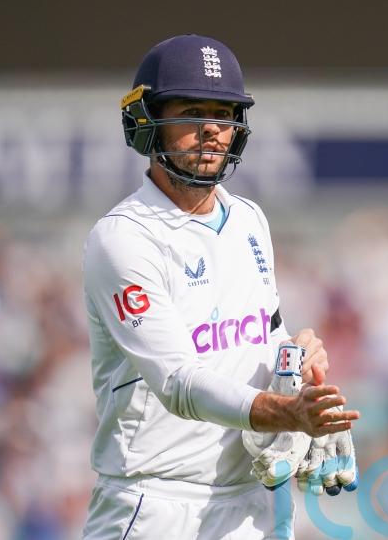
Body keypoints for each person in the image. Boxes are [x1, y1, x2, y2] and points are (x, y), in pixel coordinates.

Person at [81, 34, 359, 540]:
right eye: (191, 112)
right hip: (154, 505)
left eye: (224, 113)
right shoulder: (123, 238)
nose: (212, 130)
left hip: (253, 505)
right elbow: (179, 383)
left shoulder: (249, 219)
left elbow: (265, 334)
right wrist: (286, 414)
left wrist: (301, 370)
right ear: (146, 122)